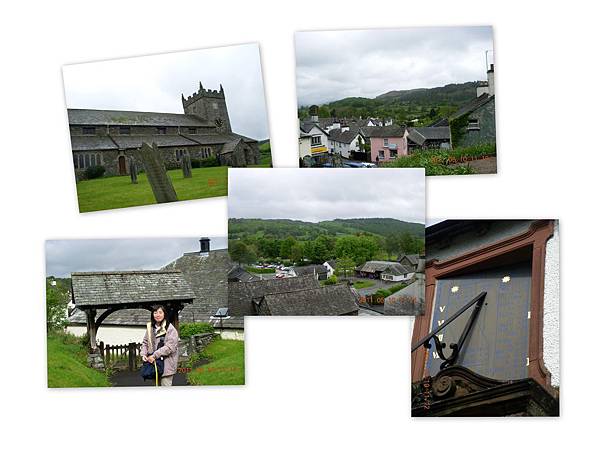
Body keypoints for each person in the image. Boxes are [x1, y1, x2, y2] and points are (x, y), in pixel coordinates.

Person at [140, 304, 179, 386]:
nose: (157, 315)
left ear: (164, 314)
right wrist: (143, 354)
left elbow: (170, 347)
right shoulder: (150, 328)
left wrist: (154, 355)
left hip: (166, 366)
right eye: (155, 313)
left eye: (160, 312)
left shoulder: (170, 329)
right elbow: (145, 342)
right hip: (153, 364)